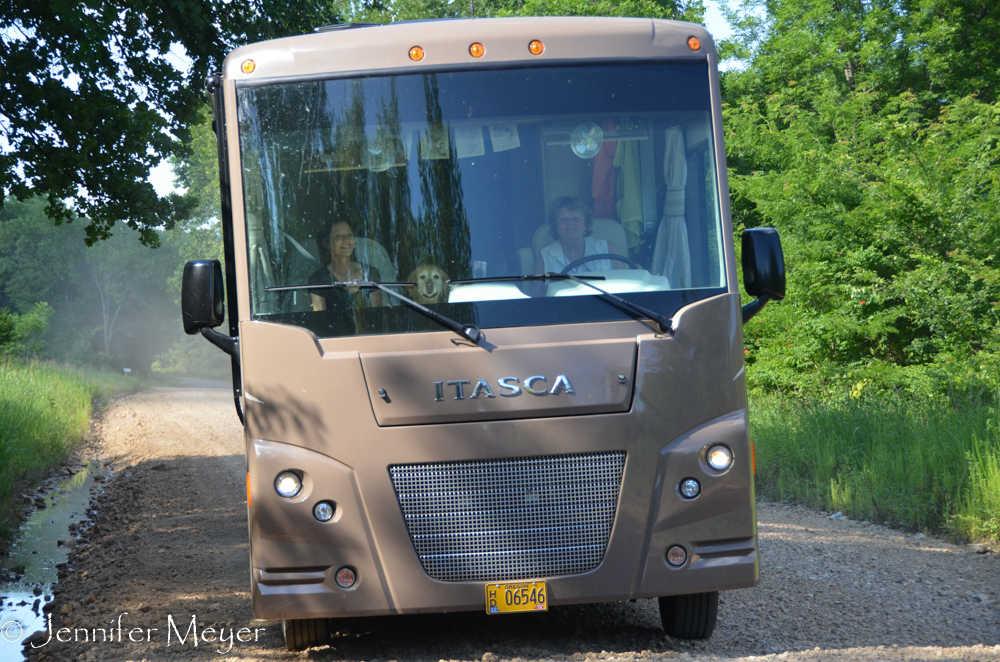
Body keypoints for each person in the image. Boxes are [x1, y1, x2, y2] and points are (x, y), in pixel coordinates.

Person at [534, 197, 625, 275]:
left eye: (576, 219)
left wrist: (637, 273)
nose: (570, 224)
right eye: (563, 220)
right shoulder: (545, 256)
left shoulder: (606, 248)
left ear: (585, 225)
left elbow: (626, 281)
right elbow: (536, 292)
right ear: (556, 226)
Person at [309, 221, 382, 311]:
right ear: (326, 243)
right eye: (338, 236)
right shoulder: (318, 279)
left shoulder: (369, 272)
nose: (346, 239)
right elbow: (320, 319)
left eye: (349, 234)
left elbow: (377, 315)